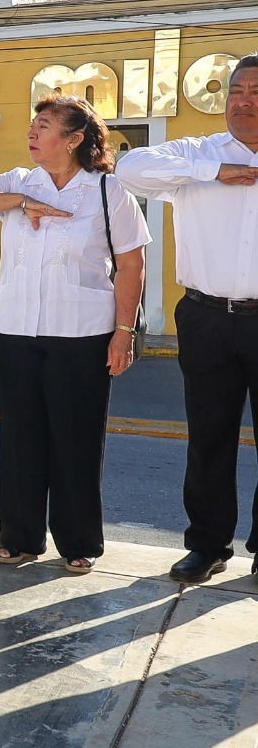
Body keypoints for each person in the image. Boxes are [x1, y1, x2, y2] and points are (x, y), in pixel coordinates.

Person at [0, 96, 148, 573]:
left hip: (81, 332)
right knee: (20, 436)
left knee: (76, 439)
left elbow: (131, 264)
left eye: (44, 125)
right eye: (32, 125)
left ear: (74, 139)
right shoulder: (19, 182)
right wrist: (19, 202)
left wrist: (124, 332)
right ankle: (19, 537)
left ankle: (79, 541)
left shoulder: (107, 191)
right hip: (16, 329)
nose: (32, 133)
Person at [116, 52, 258, 584]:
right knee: (209, 436)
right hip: (206, 316)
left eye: (256, 93)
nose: (243, 102)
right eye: (236, 91)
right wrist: (212, 172)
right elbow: (128, 169)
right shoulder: (195, 155)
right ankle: (207, 545)